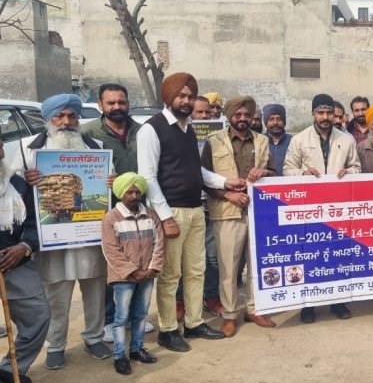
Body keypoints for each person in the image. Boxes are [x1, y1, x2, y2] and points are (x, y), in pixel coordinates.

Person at [137, 72, 245, 352]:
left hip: (196, 209)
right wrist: (166, 218)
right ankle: (168, 330)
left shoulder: (188, 129)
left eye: (189, 96)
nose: (185, 101)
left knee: (196, 271)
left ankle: (194, 323)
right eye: (181, 96)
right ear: (168, 97)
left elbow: (197, 171)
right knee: (171, 275)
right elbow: (147, 177)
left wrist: (225, 182)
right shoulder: (151, 129)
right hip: (171, 211)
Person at [11, 93, 111, 370]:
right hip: (51, 237)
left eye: (72, 116)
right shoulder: (26, 149)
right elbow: (9, 188)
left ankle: (94, 337)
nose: (66, 121)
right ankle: (55, 345)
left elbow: (108, 185)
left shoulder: (96, 147)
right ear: (48, 119)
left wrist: (111, 181)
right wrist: (25, 180)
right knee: (56, 293)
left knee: (95, 289)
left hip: (89, 234)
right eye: (60, 115)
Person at [81, 83, 155, 343]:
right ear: (100, 105)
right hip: (106, 211)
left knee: (140, 261)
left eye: (121, 102)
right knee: (111, 266)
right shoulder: (87, 133)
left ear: (128, 103)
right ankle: (110, 320)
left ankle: (135, 315)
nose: (117, 107)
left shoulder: (142, 131)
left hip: (139, 209)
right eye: (111, 102)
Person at [201, 96, 277, 336]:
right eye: (238, 115)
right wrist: (227, 195)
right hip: (226, 213)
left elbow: (274, 173)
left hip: (257, 213)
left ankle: (255, 309)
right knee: (228, 269)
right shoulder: (213, 142)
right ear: (229, 116)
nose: (243, 119)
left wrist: (264, 171)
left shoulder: (262, 141)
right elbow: (203, 178)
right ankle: (230, 315)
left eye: (247, 115)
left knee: (257, 265)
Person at [283, 93, 361, 323]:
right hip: (309, 209)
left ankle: (338, 302)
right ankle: (308, 305)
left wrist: (349, 172)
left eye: (329, 113)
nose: (325, 117)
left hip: (338, 207)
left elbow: (356, 167)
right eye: (321, 113)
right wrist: (303, 173)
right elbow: (287, 170)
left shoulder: (346, 140)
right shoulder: (299, 140)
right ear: (313, 114)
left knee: (338, 254)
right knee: (311, 255)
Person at [0, 137, 49, 383]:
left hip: (17, 261)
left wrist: (25, 246)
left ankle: (11, 368)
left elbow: (36, 223)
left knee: (39, 316)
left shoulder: (18, 184)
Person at [101, 173, 164, 375]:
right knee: (121, 318)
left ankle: (136, 349)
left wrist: (153, 267)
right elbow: (110, 250)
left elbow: (159, 242)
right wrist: (132, 271)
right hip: (123, 278)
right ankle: (120, 356)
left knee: (140, 315)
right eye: (129, 192)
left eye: (137, 191)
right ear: (120, 193)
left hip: (147, 275)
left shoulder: (150, 215)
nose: (134, 196)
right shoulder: (111, 217)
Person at [263, 103, 292, 170]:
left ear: (284, 122)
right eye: (271, 119)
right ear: (266, 122)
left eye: (279, 119)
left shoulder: (293, 141)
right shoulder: (259, 141)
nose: (275, 123)